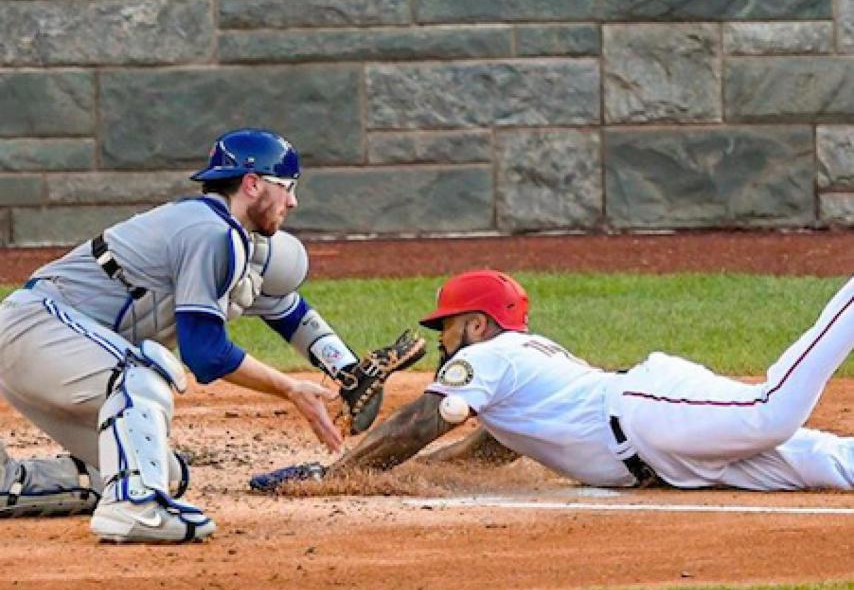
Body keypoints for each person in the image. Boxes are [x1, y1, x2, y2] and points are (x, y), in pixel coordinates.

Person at [0, 128, 390, 543]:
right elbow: (204, 353)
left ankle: (15, 484)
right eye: (287, 187)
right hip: (37, 327)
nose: (293, 201)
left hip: (49, 352)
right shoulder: (210, 231)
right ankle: (135, 509)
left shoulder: (223, 236)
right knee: (139, 374)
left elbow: (287, 311)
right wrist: (291, 388)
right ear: (253, 183)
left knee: (156, 471)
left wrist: (346, 369)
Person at [253, 269, 854, 492]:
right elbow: (496, 444)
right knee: (823, 463)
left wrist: (337, 476)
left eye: (447, 325)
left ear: (476, 323)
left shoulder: (489, 357)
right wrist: (432, 473)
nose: (441, 339)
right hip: (667, 460)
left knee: (773, 410)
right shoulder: (519, 369)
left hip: (648, 415)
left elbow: (419, 423)